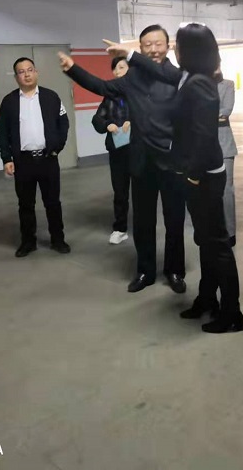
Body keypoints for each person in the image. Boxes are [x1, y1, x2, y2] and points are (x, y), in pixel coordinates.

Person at [101, 25, 243, 333]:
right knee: (205, 243)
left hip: (205, 177)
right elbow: (157, 70)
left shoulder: (199, 83)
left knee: (217, 247)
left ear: (189, 50)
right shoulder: (189, 77)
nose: (172, 50)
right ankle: (207, 299)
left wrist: (191, 175)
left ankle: (232, 314)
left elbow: (204, 136)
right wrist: (129, 55)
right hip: (198, 175)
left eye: (176, 45)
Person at [57, 25, 187, 295]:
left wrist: (129, 55)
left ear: (168, 46)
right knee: (143, 221)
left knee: (174, 220)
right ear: (141, 47)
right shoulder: (132, 79)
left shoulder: (176, 75)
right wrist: (73, 69)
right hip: (140, 160)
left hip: (172, 159)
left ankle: (174, 270)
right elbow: (102, 86)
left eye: (158, 44)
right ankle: (145, 271)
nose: (153, 49)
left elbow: (165, 73)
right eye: (147, 45)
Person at [0, 57, 71, 258]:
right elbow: (2, 132)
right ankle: (28, 242)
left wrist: (57, 147)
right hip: (23, 161)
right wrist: (7, 158)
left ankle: (58, 240)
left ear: (36, 72)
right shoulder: (9, 102)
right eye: (21, 72)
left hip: (48, 159)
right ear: (16, 77)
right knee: (25, 204)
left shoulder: (51, 97)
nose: (27, 74)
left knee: (53, 202)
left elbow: (63, 124)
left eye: (30, 70)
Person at [91, 56, 132, 245]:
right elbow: (97, 119)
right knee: (120, 191)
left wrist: (134, 122)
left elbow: (151, 117)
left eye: (122, 67)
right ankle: (120, 229)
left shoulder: (139, 93)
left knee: (141, 192)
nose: (117, 71)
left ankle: (143, 226)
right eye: (115, 69)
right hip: (118, 150)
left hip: (139, 150)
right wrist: (107, 124)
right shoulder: (110, 97)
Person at [214, 68, 238, 247]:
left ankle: (230, 233)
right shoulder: (198, 85)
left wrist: (202, 116)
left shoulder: (228, 85)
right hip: (202, 145)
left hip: (224, 145)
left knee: (226, 191)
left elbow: (226, 111)